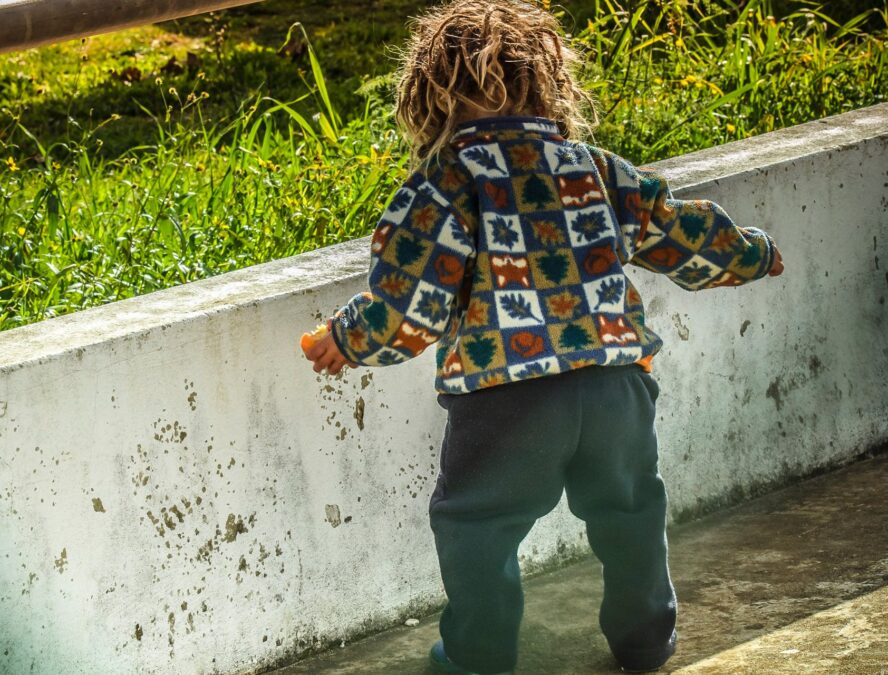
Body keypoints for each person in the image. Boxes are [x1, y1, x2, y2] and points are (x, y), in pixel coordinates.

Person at [300, 1, 784, 672]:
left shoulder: (447, 183)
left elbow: (408, 302)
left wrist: (345, 338)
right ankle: (645, 639)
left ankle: (479, 655)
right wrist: (753, 254)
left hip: (507, 398)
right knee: (630, 509)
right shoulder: (598, 169)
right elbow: (681, 231)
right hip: (616, 384)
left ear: (425, 96)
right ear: (550, 84)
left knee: (478, 527)